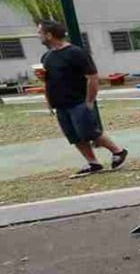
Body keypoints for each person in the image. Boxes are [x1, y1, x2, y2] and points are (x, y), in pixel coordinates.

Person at [38, 20, 128, 178]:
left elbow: (92, 77)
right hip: (60, 103)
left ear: (49, 35)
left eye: (40, 33)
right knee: (73, 136)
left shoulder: (75, 53)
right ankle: (93, 162)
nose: (38, 36)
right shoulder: (46, 57)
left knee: (89, 132)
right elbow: (48, 80)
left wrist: (89, 100)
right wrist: (47, 97)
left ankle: (118, 151)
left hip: (78, 101)